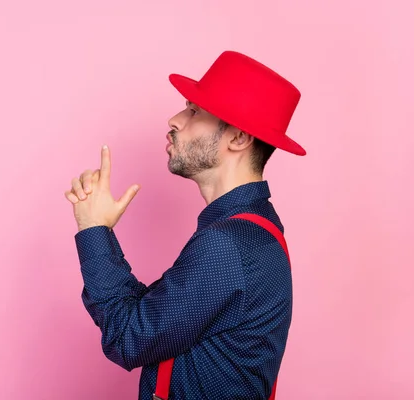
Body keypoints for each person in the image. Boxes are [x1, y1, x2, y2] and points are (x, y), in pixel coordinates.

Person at [64, 50, 305, 400]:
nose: (175, 119)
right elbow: (158, 317)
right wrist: (102, 231)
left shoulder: (227, 245)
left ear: (238, 138)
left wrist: (93, 231)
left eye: (194, 111)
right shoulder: (255, 229)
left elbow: (128, 337)